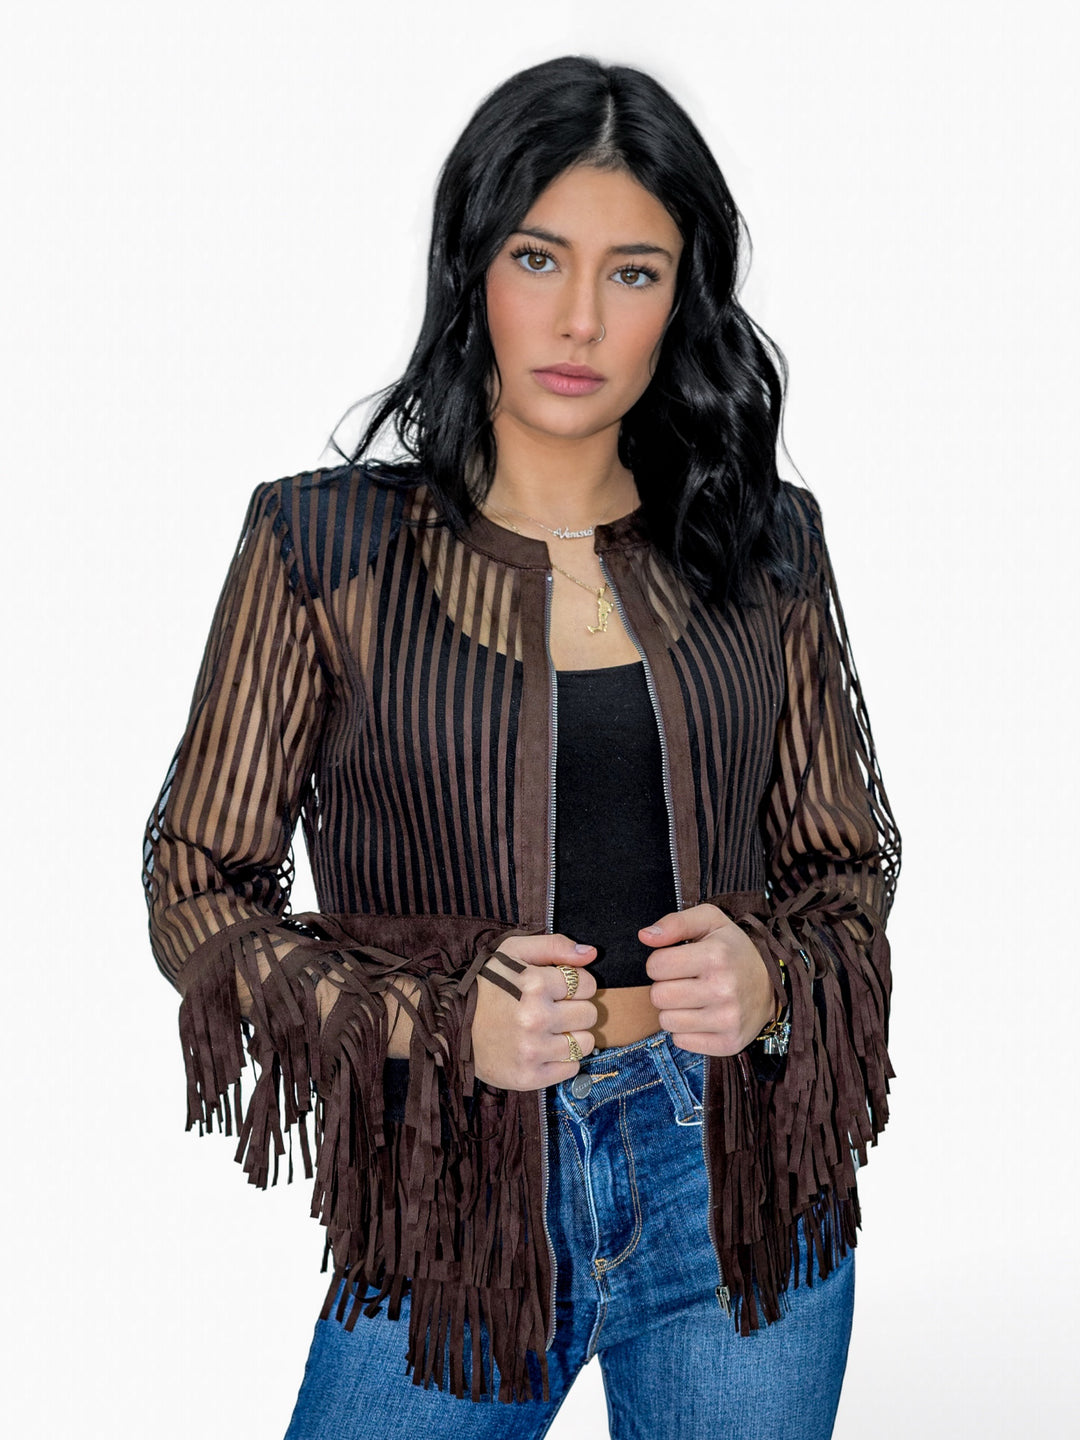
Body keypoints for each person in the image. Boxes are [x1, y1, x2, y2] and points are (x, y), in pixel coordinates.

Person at [142, 54, 900, 1440]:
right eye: (538, 257)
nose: (578, 318)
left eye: (633, 272)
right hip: (458, 1202)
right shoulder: (323, 549)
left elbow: (845, 867)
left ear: (683, 299)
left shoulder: (764, 544)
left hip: (737, 1186)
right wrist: (437, 1024)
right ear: (472, 266)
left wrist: (773, 976)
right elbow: (196, 886)